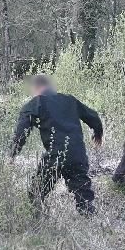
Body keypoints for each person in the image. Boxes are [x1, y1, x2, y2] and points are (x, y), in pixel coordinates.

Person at [8, 75, 103, 216]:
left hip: (56, 156)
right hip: (77, 155)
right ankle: (92, 222)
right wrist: (98, 133)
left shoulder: (36, 103)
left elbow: (22, 131)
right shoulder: (70, 100)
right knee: (84, 197)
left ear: (36, 88)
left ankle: (37, 223)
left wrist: (12, 153)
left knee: (36, 192)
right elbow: (93, 116)